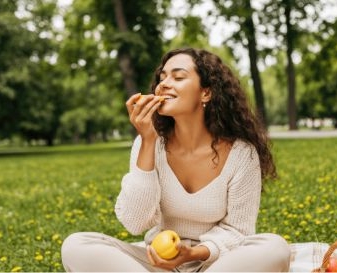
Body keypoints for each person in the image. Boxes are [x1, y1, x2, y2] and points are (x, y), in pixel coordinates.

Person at [61, 48, 291, 272]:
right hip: (156, 264)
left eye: (178, 77)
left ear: (206, 93)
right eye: (162, 78)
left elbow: (239, 231)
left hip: (217, 264)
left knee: (274, 247)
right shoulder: (148, 144)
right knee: (76, 245)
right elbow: (135, 222)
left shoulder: (241, 153)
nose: (164, 83)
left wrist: (193, 253)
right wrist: (148, 142)